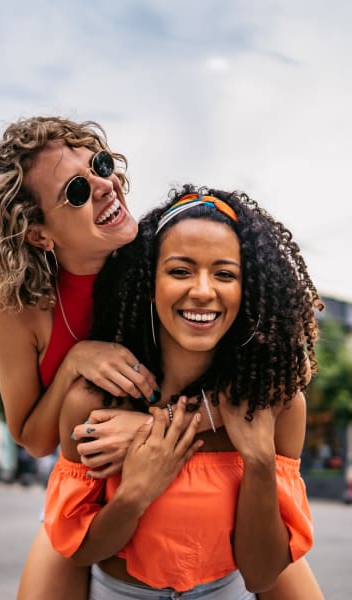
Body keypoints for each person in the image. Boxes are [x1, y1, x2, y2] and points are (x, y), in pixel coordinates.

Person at [44, 185, 325, 599]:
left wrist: (260, 461)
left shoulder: (275, 406)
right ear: (149, 283)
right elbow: (82, 551)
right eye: (180, 270)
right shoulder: (95, 401)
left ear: (246, 290)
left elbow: (262, 576)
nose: (203, 291)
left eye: (225, 274)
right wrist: (137, 491)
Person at [0, 115, 163, 600]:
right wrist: (74, 362)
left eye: (100, 166)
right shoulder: (12, 310)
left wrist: (149, 429)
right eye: (77, 192)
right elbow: (31, 438)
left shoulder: (169, 259)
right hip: (83, 492)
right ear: (39, 233)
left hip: (182, 470)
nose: (106, 186)